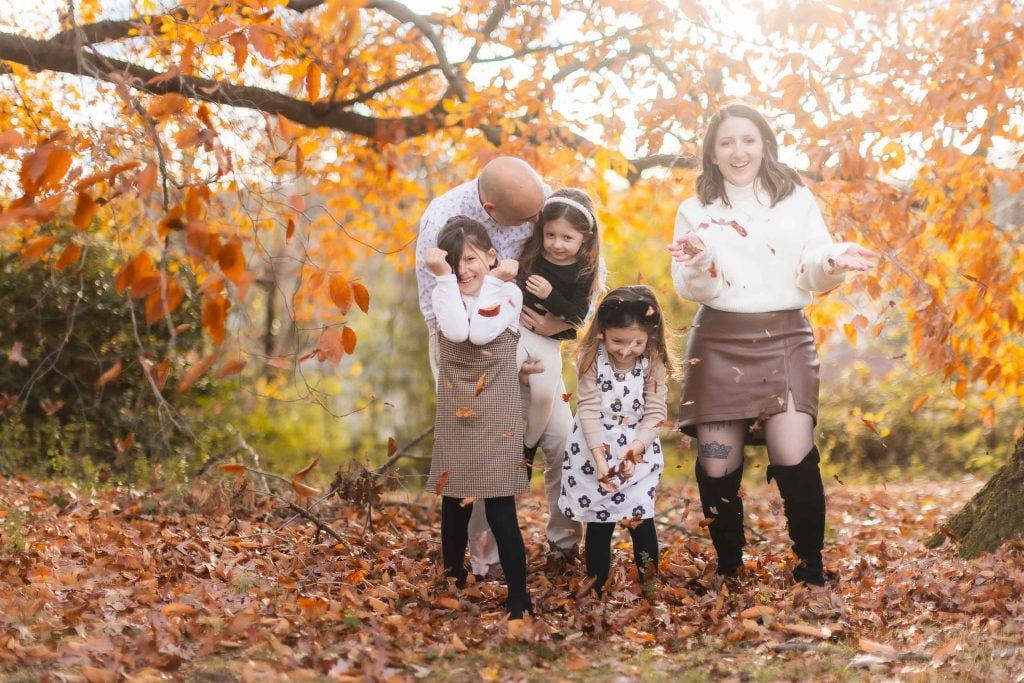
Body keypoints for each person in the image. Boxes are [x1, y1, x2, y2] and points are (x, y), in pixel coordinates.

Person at [667, 103, 877, 586]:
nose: (739, 151)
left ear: (764, 145)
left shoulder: (796, 199)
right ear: (713, 154)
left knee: (792, 450)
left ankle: (810, 565)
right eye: (727, 143)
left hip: (784, 336)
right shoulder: (695, 210)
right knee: (717, 460)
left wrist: (833, 257)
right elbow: (690, 287)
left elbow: (813, 263)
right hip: (720, 338)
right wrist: (701, 260)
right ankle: (729, 566)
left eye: (748, 140)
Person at [414, 156, 584, 573]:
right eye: (529, 217)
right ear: (491, 210)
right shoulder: (441, 218)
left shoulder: (539, 198)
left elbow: (587, 266)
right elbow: (434, 309)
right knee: (476, 460)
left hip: (537, 337)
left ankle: (564, 546)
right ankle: (485, 560)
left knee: (563, 438)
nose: (538, 219)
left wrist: (562, 321)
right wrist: (483, 367)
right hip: (463, 347)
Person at [423, 217, 532, 618]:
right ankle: (453, 580)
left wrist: (498, 282)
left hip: (498, 414)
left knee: (501, 507)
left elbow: (482, 331)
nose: (463, 270)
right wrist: (443, 280)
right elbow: (455, 329)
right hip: (456, 414)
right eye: (452, 264)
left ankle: (519, 596)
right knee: (454, 505)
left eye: (470, 260)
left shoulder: (509, 294)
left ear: (490, 257)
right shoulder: (444, 292)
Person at [558, 285, 672, 596]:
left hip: (638, 444)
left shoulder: (653, 360)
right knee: (600, 520)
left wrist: (637, 450)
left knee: (641, 517)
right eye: (617, 341)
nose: (625, 350)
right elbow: (589, 408)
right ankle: (597, 587)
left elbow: (655, 410)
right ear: (602, 333)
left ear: (650, 334)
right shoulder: (592, 358)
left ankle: (649, 586)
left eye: (636, 342)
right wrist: (599, 460)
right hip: (593, 445)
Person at [515, 188, 602, 480]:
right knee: (504, 382)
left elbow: (577, 316)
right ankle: (503, 442)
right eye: (551, 235)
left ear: (584, 238)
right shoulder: (532, 255)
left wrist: (551, 296)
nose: (557, 245)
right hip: (517, 334)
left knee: (543, 394)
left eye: (567, 238)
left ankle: (527, 449)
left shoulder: (583, 271)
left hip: (549, 345)